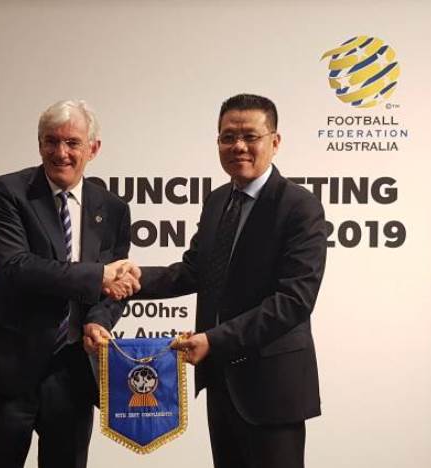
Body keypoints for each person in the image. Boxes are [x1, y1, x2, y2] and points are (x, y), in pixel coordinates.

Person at [137, 93, 327, 468]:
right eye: (228, 137)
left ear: (275, 141)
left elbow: (294, 301)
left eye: (250, 136)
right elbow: (193, 271)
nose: (238, 146)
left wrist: (214, 340)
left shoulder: (299, 207)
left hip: (272, 388)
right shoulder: (217, 200)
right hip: (221, 382)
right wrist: (126, 280)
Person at [0, 99, 139, 468]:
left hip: (72, 374)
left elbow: (114, 288)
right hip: (6, 370)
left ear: (93, 148)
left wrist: (98, 321)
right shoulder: (6, 192)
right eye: (51, 141)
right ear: (39, 144)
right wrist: (98, 276)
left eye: (72, 143)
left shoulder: (113, 208)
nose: (61, 153)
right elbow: (16, 267)